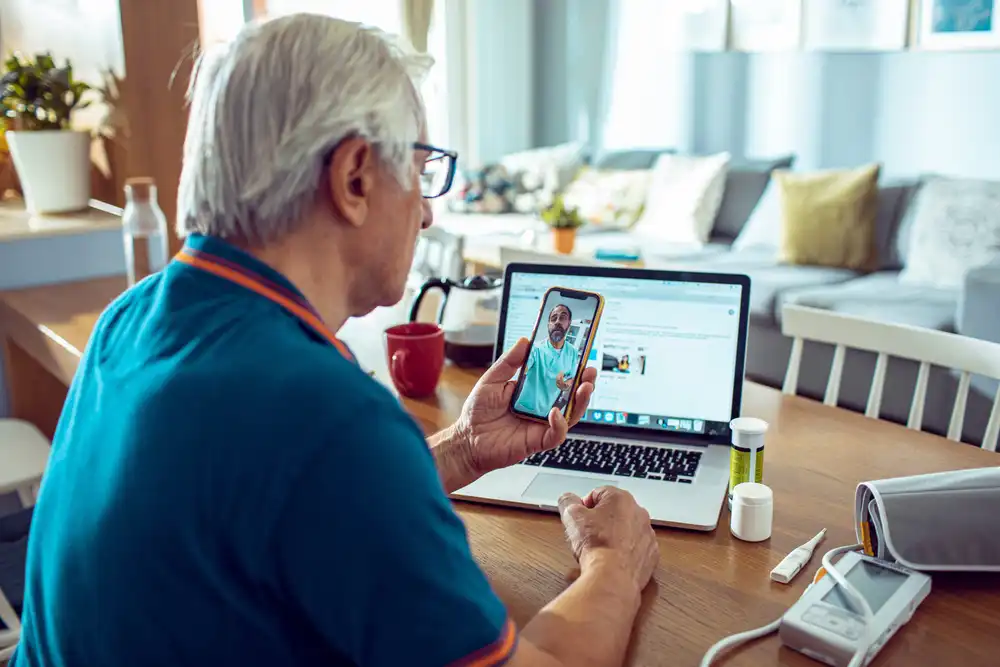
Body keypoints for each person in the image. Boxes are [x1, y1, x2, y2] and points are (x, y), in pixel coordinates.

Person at [10, 14, 658, 667]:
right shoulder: (326, 415)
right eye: (423, 165)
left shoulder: (133, 317)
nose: (429, 210)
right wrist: (613, 562)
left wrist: (462, 448)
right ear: (354, 177)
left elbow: (286, 505)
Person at [514, 304, 582, 417]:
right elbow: (522, 368)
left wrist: (566, 385)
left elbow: (571, 376)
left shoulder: (572, 352)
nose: (557, 322)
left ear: (569, 323)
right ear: (548, 325)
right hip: (523, 409)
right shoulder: (535, 349)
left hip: (546, 413)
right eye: (553, 318)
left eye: (563, 317)